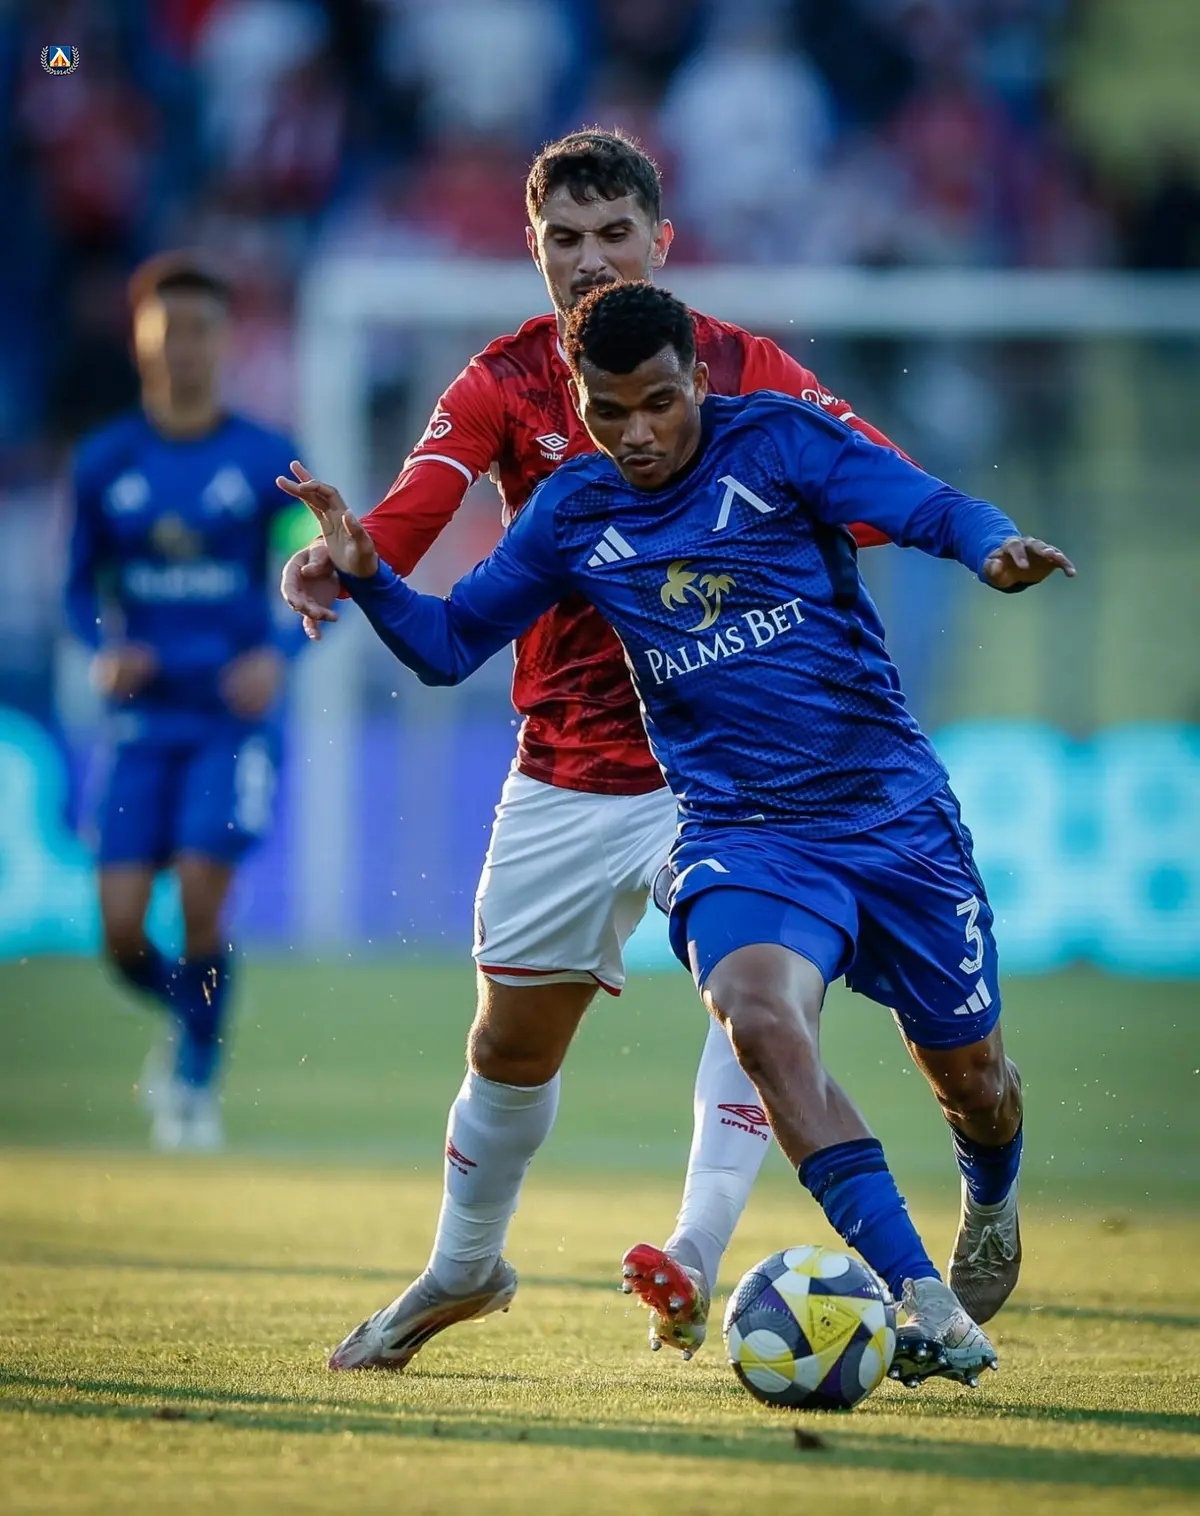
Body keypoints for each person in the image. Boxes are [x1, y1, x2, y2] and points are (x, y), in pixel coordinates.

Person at [280, 280, 1074, 1386]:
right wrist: (368, 574)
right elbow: (453, 644)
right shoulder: (574, 509)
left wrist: (991, 546)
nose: (638, 434)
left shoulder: (779, 444)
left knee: (975, 1080)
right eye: (609, 412)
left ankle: (990, 1193)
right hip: (745, 831)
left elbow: (924, 505)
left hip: (890, 813)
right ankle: (920, 1296)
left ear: (699, 378)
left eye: (659, 403)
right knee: (758, 1014)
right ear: (581, 403)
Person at [282, 129, 908, 1364]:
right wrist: (340, 563)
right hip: (566, 762)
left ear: (660, 241)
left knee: (756, 1000)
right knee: (508, 1047)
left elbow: (879, 488)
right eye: (562, 239)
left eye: (614, 233)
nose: (589, 259)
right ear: (533, 249)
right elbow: (407, 518)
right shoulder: (503, 382)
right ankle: (464, 1268)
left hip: (728, 767)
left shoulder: (744, 369)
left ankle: (694, 1250)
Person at [65, 253, 308, 1150]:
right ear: (140, 341)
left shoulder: (270, 461)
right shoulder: (104, 462)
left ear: (225, 340)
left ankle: (197, 1076)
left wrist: (278, 652)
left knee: (204, 891)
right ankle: (193, 1019)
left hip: (230, 718)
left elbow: (315, 572)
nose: (184, 348)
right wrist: (102, 648)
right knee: (120, 932)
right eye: (168, 332)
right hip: (141, 719)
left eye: (201, 330)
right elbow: (76, 587)